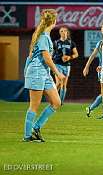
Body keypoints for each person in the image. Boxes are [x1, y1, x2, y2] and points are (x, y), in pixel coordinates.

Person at [23, 9, 65, 142]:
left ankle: (36, 127)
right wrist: (57, 73)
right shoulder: (43, 37)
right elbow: (46, 58)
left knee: (56, 102)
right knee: (34, 105)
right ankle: (27, 136)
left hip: (44, 72)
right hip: (37, 71)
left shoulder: (44, 36)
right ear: (53, 21)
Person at [52, 26, 78, 104]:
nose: (64, 32)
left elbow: (76, 54)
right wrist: (56, 57)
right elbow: (52, 54)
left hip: (67, 65)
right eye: (62, 31)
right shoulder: (56, 42)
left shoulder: (71, 43)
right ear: (60, 33)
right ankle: (54, 99)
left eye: (65, 31)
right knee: (59, 82)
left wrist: (69, 57)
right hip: (57, 64)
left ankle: (61, 102)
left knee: (64, 84)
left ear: (67, 32)